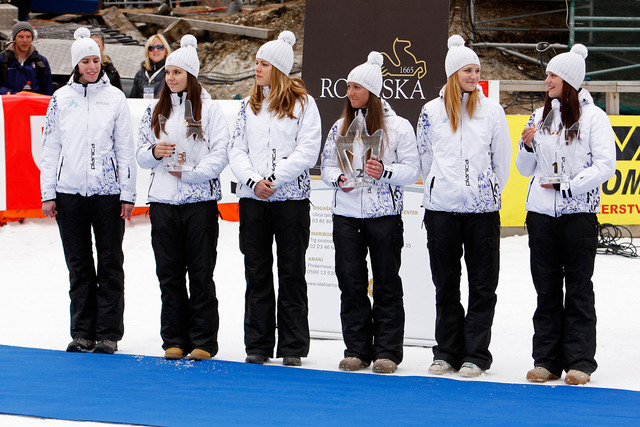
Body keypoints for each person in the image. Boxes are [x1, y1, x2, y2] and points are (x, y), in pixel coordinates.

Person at [516, 44, 616, 385]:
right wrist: (528, 145)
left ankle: (580, 363)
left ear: (570, 79)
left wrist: (569, 187)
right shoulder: (538, 117)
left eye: (553, 74)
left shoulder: (595, 118)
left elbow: (606, 165)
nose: (547, 80)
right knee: (546, 290)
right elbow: (523, 168)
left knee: (577, 289)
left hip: (578, 217)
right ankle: (545, 361)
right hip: (541, 217)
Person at [416, 35, 512, 378]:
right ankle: (446, 352)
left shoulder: (492, 111)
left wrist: (484, 192)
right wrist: (439, 188)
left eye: (477, 70)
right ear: (453, 73)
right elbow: (424, 159)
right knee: (446, 284)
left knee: (483, 286)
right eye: (468, 70)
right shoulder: (430, 111)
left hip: (481, 213)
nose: (474, 75)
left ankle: (476, 354)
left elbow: (501, 161)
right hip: (441, 210)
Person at [320, 52, 419, 374]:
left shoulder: (399, 127)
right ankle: (357, 350)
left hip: (384, 215)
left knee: (387, 283)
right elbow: (326, 167)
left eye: (357, 87)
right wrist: (339, 180)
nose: (350, 92)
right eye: (348, 87)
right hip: (347, 215)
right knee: (351, 282)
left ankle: (387, 352)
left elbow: (413, 169)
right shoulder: (340, 125)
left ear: (373, 92)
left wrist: (384, 172)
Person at [227, 30, 322, 367]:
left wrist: (274, 178)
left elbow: (308, 150)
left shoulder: (304, 104)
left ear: (279, 70)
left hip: (291, 200)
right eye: (256, 62)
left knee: (291, 271)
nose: (257, 68)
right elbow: (235, 149)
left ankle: (293, 346)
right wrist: (254, 181)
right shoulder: (247, 106)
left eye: (263, 64)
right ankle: (258, 343)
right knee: (256, 270)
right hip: (253, 200)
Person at [40, 27, 136, 355]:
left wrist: (127, 193)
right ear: (75, 65)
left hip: (107, 193)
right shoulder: (60, 99)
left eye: (96, 60)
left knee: (110, 262)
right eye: (86, 61)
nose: (92, 66)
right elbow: (50, 148)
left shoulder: (115, 98)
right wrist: (48, 192)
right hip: (69, 193)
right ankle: (82, 332)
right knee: (78, 264)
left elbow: (125, 149)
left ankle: (108, 333)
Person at [136, 34, 229, 361]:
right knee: (169, 274)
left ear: (191, 75)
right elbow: (140, 154)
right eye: (169, 72)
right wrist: (154, 152)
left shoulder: (211, 109)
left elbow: (221, 154)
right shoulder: (153, 108)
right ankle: (173, 338)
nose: (171, 77)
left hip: (199, 204)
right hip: (163, 203)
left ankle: (204, 339)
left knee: (201, 273)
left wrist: (190, 173)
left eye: (178, 72)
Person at [0, 21, 54, 95]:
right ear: (14, 39)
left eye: (28, 37)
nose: (25, 40)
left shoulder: (41, 62)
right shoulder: (3, 60)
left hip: (34, 105)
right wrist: (10, 93)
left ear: (32, 39)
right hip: (9, 104)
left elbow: (48, 90)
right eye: (21, 37)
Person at [130, 34, 172, 99]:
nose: (155, 50)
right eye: (151, 48)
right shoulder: (140, 73)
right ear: (147, 52)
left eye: (160, 47)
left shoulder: (170, 72)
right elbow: (133, 99)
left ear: (166, 51)